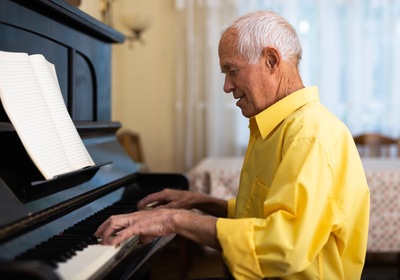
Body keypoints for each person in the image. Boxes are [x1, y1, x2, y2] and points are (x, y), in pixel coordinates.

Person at [95, 10, 370, 279]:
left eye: (232, 70)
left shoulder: (310, 134)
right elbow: (263, 215)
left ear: (271, 60)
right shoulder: (277, 125)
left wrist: (173, 220)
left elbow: (285, 245)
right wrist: (201, 203)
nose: (226, 86)